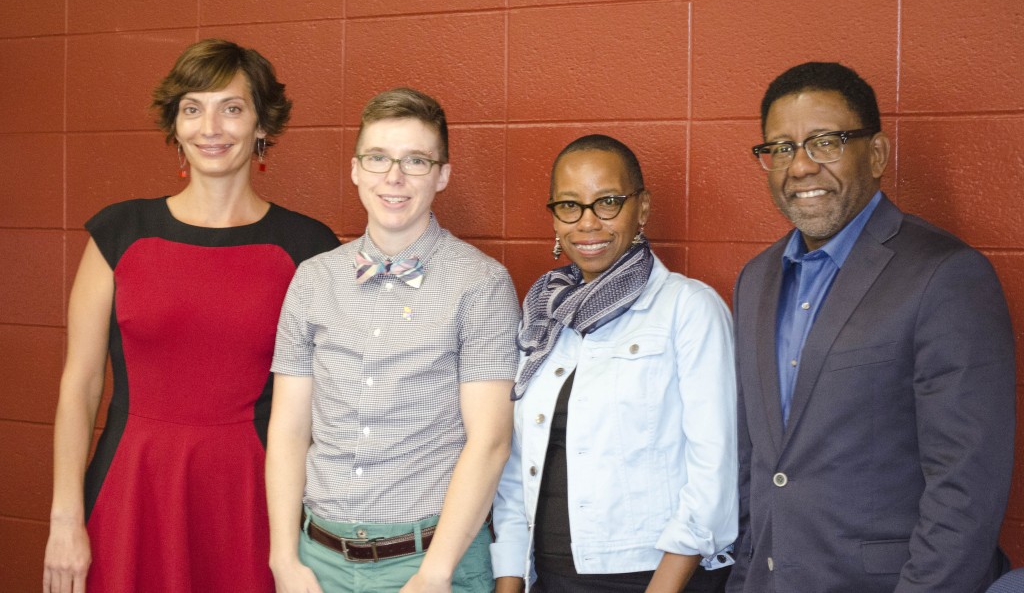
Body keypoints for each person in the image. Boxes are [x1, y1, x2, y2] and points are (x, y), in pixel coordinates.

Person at [42, 38, 341, 593]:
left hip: (254, 495)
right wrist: (65, 520)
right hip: (131, 486)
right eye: (192, 108)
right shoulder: (118, 234)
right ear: (175, 127)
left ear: (261, 126)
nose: (212, 127)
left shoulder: (308, 247)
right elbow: (79, 386)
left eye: (232, 107)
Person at [728, 62, 1016, 593]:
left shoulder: (945, 276)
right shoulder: (756, 280)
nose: (800, 167)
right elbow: (757, 463)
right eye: (782, 148)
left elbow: (965, 486)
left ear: (877, 154)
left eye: (824, 142)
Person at [266, 87, 520, 593]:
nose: (394, 178)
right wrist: (284, 560)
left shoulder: (481, 284)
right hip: (318, 562)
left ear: (443, 174)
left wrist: (436, 573)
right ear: (356, 169)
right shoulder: (313, 280)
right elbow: (289, 431)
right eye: (378, 158)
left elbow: (489, 440)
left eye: (416, 161)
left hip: (429, 562)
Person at [491, 134, 738, 593]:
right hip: (547, 576)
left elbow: (714, 472)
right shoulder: (543, 314)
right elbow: (516, 466)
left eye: (607, 202)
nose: (588, 223)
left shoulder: (688, 308)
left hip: (654, 577)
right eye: (569, 205)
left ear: (641, 209)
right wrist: (510, 581)